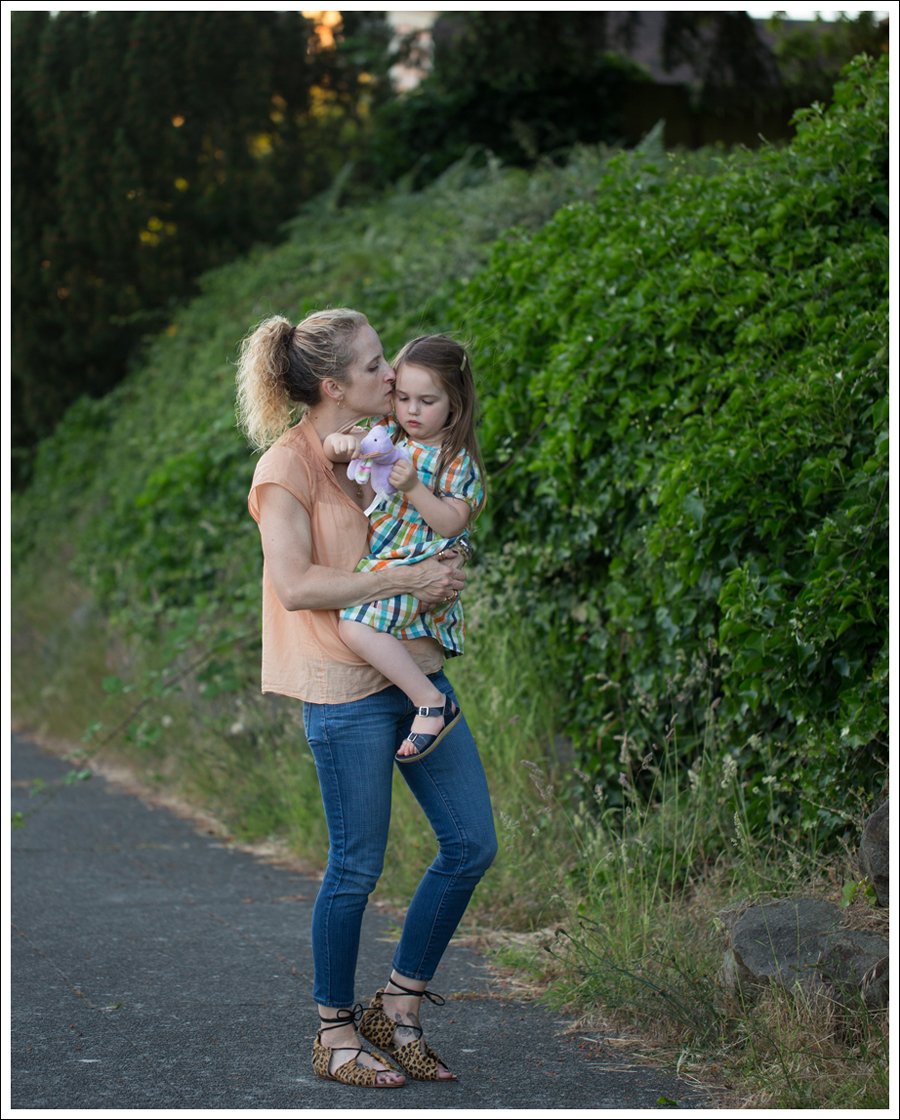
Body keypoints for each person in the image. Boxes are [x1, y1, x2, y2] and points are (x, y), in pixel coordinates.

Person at [237, 309, 497, 1089]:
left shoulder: (399, 443)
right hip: (343, 688)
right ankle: (335, 1033)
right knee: (355, 867)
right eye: (377, 363)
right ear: (334, 385)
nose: (392, 374)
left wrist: (443, 563)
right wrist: (405, 579)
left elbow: (434, 523)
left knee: (471, 844)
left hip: (416, 674)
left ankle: (400, 1005)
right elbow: (297, 585)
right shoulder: (286, 468)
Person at [322, 335, 485, 762]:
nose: (412, 410)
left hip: (418, 564)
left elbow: (453, 521)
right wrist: (339, 445)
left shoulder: (454, 458)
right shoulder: (391, 432)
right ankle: (421, 697)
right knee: (360, 626)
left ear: (456, 403)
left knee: (355, 628)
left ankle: (431, 703)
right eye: (405, 397)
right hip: (386, 561)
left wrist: (414, 486)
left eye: (427, 401)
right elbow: (350, 445)